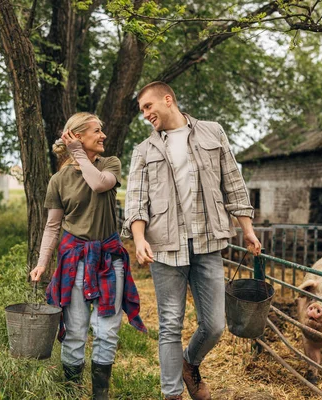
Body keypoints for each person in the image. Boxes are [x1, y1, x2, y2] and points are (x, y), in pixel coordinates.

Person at [122, 82, 261, 400]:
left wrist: (248, 230)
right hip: (164, 248)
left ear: (167, 99)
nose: (145, 114)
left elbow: (233, 184)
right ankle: (172, 394)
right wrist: (140, 239)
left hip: (208, 243)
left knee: (214, 325)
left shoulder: (213, 132)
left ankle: (189, 363)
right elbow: (136, 201)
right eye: (142, 109)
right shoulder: (144, 150)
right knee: (170, 324)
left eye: (147, 106)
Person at [30, 112, 146, 400]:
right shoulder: (58, 180)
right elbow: (53, 226)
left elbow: (98, 184)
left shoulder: (110, 164)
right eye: (97, 131)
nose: (103, 135)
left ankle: (100, 395)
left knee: (107, 330)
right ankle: (71, 391)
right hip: (75, 261)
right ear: (77, 136)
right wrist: (42, 263)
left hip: (109, 259)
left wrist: (79, 155)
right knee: (75, 332)